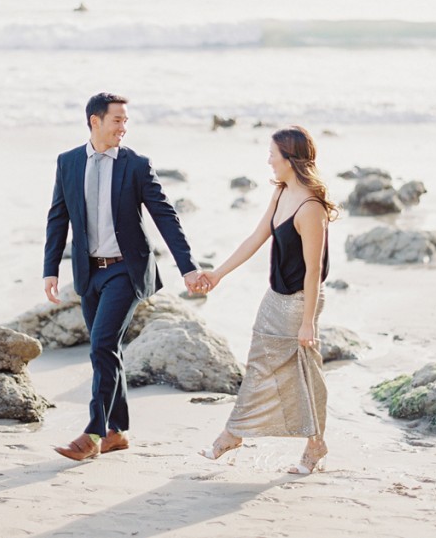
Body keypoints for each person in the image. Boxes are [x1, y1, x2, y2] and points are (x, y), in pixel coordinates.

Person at [43, 92, 202, 461]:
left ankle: (93, 433)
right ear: (94, 121)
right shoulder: (67, 162)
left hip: (125, 271)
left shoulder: (136, 165)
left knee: (99, 346)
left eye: (126, 121)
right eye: (117, 120)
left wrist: (188, 266)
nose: (123, 127)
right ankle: (118, 432)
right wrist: (50, 268)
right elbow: (58, 217)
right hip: (89, 273)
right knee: (107, 350)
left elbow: (165, 216)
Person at [192, 125, 338, 474]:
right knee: (268, 366)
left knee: (303, 372)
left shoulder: (310, 207)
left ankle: (234, 435)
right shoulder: (282, 191)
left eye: (273, 154)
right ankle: (308, 442)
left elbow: (313, 270)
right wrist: (218, 273)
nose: (268, 160)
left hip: (300, 302)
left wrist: (307, 322)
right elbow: (257, 236)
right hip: (275, 297)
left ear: (290, 158)